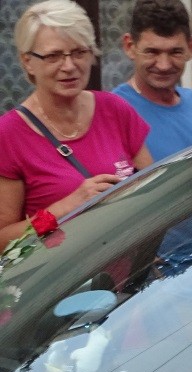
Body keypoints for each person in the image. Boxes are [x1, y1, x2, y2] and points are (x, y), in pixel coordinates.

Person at [0, 0, 152, 249]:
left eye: (79, 52)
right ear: (27, 61)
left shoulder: (114, 109)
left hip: (131, 266)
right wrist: (64, 208)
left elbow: (153, 193)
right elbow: (3, 241)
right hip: (62, 273)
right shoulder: (8, 135)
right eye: (53, 56)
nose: (69, 66)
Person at [113, 0, 192, 162]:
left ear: (191, 47)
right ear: (129, 46)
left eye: (175, 52)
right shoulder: (112, 112)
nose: (164, 65)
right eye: (152, 52)